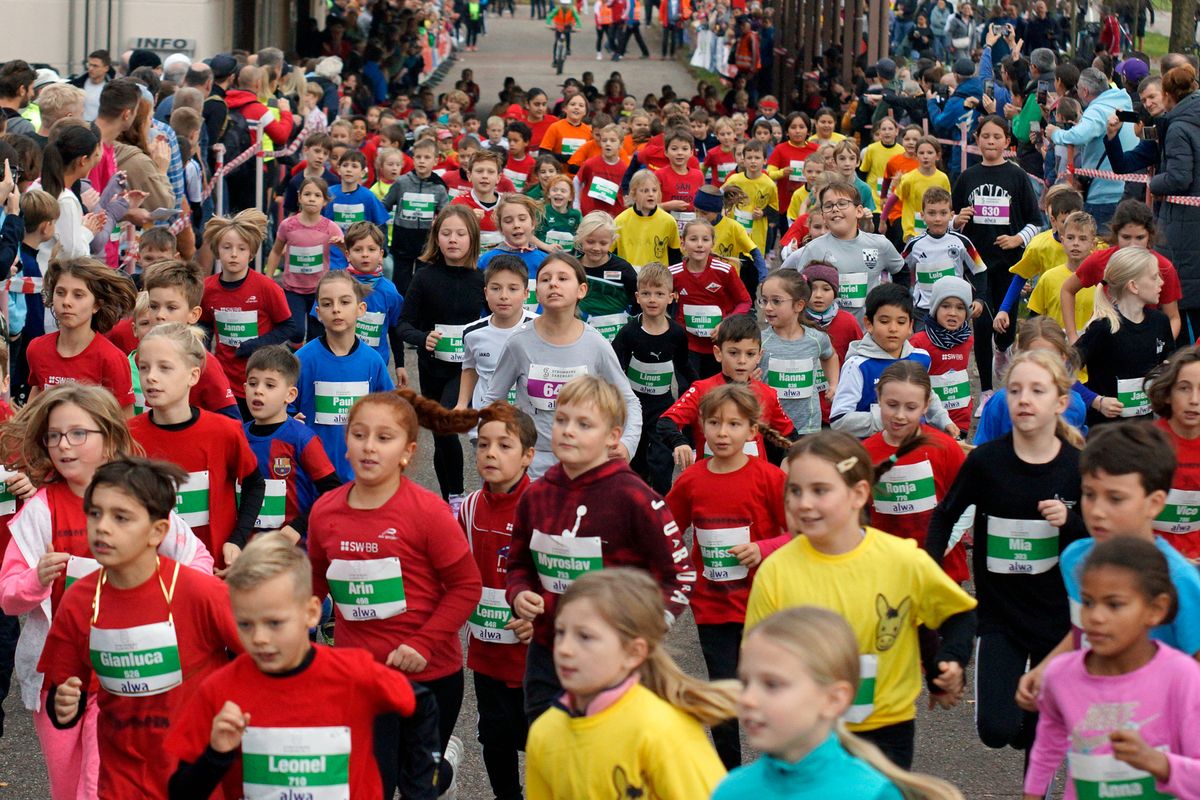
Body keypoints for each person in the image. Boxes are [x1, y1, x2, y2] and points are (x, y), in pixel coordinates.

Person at [0, 385, 210, 799]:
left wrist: (162, 591)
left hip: (126, 670)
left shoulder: (140, 500)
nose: (64, 445)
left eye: (78, 433)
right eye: (54, 436)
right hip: (57, 677)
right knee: (66, 785)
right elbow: (8, 596)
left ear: (111, 439)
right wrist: (37, 578)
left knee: (102, 784)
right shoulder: (41, 510)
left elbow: (197, 562)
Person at [746, 430, 977, 768]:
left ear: (858, 494)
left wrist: (950, 662)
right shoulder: (776, 572)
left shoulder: (901, 559)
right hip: (805, 731)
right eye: (794, 490)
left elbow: (958, 616)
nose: (803, 503)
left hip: (886, 728)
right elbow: (756, 658)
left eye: (819, 490)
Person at [307, 389, 486, 799]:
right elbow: (314, 586)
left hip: (429, 675)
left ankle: (441, 768)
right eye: (359, 435)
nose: (369, 446)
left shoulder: (427, 512)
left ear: (407, 452)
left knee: (418, 787)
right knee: (372, 784)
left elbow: (466, 586)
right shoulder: (325, 512)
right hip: (361, 674)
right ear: (346, 444)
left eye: (384, 438)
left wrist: (423, 642)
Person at [164, 532, 429, 799]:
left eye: (274, 623)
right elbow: (180, 792)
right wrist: (216, 755)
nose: (259, 638)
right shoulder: (220, 690)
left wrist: (419, 790)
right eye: (245, 624)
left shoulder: (352, 673)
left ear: (311, 613)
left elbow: (422, 705)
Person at [38, 457, 238, 799]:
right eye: (95, 513)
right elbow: (65, 690)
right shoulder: (79, 600)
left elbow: (267, 662)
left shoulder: (201, 593)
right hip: (121, 780)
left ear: (157, 531)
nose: (102, 527)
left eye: (121, 517)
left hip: (196, 777)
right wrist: (64, 707)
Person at [927, 349, 1087, 757]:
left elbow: (1098, 538)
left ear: (1061, 402)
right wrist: (928, 569)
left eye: (1037, 390)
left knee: (1037, 737)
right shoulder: (987, 462)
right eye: (1014, 391)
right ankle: (1015, 723)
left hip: (1057, 617)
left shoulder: (1076, 466)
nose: (1024, 400)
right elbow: (945, 515)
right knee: (996, 730)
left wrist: (1069, 522)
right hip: (1000, 614)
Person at [504, 376, 691, 719]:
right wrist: (518, 594)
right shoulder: (535, 495)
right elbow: (518, 565)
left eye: (584, 424)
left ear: (613, 436)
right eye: (561, 420)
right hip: (548, 654)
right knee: (547, 745)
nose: (568, 431)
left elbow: (679, 576)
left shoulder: (635, 498)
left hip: (613, 660)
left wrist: (644, 631)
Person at [714, 607, 966, 799]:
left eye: (772, 684)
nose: (747, 699)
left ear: (834, 699)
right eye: (745, 682)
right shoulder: (731, 790)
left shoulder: (873, 793)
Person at [665, 383, 789, 768]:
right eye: (714, 423)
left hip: (763, 605)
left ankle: (779, 769)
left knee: (768, 691)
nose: (722, 433)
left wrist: (763, 548)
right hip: (712, 605)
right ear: (701, 426)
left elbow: (799, 534)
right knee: (723, 695)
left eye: (734, 425)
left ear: (752, 430)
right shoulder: (691, 480)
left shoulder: (770, 478)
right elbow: (666, 531)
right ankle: (729, 775)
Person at [524, 568, 729, 796]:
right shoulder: (545, 732)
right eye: (560, 632)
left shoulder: (662, 730)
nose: (564, 649)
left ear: (634, 652)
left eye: (585, 636)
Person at [1023, 537, 1200, 799]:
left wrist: (1159, 763)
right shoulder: (1061, 675)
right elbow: (1046, 748)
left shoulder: (1181, 676)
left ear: (1156, 609)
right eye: (1088, 602)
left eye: (1114, 604)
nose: (1096, 617)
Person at [481, 253, 642, 478]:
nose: (553, 284)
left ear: (581, 290)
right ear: (537, 292)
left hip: (584, 464)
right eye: (545, 279)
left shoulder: (595, 343)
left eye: (563, 278)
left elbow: (629, 401)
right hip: (531, 466)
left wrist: (627, 444)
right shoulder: (518, 342)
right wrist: (498, 445)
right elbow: (492, 400)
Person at [129, 323, 263, 571]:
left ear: (193, 375)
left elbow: (255, 484)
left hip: (213, 571)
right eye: (144, 367)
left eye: (164, 368)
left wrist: (237, 540)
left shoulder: (224, 431)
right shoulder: (127, 436)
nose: (151, 377)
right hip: (149, 574)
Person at [457, 405, 536, 800]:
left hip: (534, 656)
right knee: (495, 738)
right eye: (483, 444)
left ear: (527, 456)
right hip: (486, 651)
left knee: (543, 741)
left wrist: (542, 618)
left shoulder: (542, 507)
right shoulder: (469, 507)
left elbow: (569, 581)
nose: (490, 453)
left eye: (504, 446)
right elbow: (454, 572)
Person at [397, 205, 486, 507]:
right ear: (436, 238)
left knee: (446, 421)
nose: (453, 239)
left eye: (460, 233)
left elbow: (498, 318)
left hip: (466, 370)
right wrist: (424, 338)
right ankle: (449, 501)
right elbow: (403, 325)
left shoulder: (481, 279)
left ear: (472, 239)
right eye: (446, 233)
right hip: (432, 368)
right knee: (439, 432)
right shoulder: (424, 278)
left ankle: (458, 497)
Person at [950, 116, 1040, 395]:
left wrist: (1017, 239)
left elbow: (1035, 222)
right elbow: (951, 219)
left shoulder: (1017, 176)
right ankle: (987, 391)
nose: (990, 141)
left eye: (997, 136)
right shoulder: (967, 177)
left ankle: (1002, 350)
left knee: (1005, 327)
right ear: (977, 140)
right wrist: (957, 220)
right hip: (977, 264)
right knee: (982, 323)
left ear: (1007, 142)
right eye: (985, 136)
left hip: (1009, 264)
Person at [199, 210, 298, 419]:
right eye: (227, 247)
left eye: (241, 248)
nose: (234, 254)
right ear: (217, 251)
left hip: (259, 379)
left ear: (251, 254)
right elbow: (204, 325)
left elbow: (289, 327)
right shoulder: (208, 289)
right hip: (224, 379)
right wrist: (204, 353)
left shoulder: (266, 287)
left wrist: (257, 344)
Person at [296, 271, 395, 481]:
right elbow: (284, 410)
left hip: (360, 475)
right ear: (318, 313)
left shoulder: (373, 361)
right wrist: (289, 421)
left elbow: (391, 411)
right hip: (312, 476)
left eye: (345, 302)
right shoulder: (302, 360)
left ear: (361, 309)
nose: (336, 309)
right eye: (327, 304)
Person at [659, 313, 795, 465]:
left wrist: (789, 459)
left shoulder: (767, 393)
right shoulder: (702, 390)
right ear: (718, 353)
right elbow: (666, 422)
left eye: (750, 354)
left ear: (759, 356)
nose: (742, 360)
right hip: (711, 476)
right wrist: (679, 442)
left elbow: (789, 433)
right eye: (733, 353)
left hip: (754, 478)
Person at [830, 283, 958, 439]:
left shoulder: (921, 358)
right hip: (871, 449)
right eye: (884, 321)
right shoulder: (857, 366)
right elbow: (839, 419)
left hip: (913, 445)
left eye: (901, 322)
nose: (893, 328)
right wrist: (887, 418)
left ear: (910, 325)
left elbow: (928, 396)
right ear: (869, 324)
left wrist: (943, 420)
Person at [612, 262, 695, 494]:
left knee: (661, 461)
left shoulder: (677, 333)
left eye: (659, 294)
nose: (652, 299)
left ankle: (661, 502)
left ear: (671, 297)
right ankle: (636, 501)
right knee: (636, 461)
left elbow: (684, 366)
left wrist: (701, 389)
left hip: (662, 405)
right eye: (646, 293)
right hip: (634, 405)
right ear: (637, 297)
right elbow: (615, 366)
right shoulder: (629, 332)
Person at [1075, 248, 1174, 426]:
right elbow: (1059, 371)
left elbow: (1168, 365)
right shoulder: (1103, 328)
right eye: (1154, 277)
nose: (1161, 282)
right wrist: (1096, 401)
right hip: (1106, 433)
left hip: (1144, 430)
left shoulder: (1160, 322)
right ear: (1133, 286)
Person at [782, 178, 903, 322]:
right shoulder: (812, 249)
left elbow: (902, 272)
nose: (835, 209)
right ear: (823, 216)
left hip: (867, 331)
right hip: (824, 330)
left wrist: (897, 304)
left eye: (842, 203)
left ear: (859, 211)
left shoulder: (879, 244)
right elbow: (796, 286)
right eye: (828, 206)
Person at [1060, 199, 1182, 343]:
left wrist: (1159, 348)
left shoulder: (1162, 267)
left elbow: (1173, 318)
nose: (1133, 244)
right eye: (1126, 237)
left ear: (1149, 236)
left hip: (1143, 342)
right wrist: (1072, 336)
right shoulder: (1100, 260)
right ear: (1116, 235)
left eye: (1140, 238)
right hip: (1104, 340)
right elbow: (1067, 290)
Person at [25, 257, 136, 411]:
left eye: (78, 295)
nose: (66, 302)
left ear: (97, 305)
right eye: (60, 293)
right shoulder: (37, 348)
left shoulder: (111, 358)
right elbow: (38, 389)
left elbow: (125, 418)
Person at [141, 260, 239, 419]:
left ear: (193, 315)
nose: (160, 315)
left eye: (171, 308)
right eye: (153, 306)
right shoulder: (146, 354)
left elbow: (232, 420)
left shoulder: (203, 362)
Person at [1046, 68, 1138, 229]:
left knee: (1097, 240)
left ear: (1085, 91)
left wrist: (1056, 134)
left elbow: (1078, 136)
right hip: (1126, 188)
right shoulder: (1121, 101)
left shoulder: (1097, 110)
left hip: (1102, 194)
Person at [1148, 64, 1200, 340]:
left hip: (1184, 223)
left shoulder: (1179, 126)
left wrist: (1155, 183)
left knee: (1185, 303)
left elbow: (1179, 176)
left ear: (1168, 95)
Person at [266, 176, 344, 344]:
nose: (311, 199)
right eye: (307, 194)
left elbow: (348, 253)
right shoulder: (287, 225)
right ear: (299, 197)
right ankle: (296, 352)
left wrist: (342, 246)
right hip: (293, 289)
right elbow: (276, 251)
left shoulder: (330, 227)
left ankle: (307, 358)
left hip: (319, 290)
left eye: (317, 195)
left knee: (316, 335)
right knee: (296, 331)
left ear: (325, 201)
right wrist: (268, 278)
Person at [759, 269, 838, 436]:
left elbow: (830, 356)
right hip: (770, 427)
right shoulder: (758, 341)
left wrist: (833, 384)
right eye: (764, 300)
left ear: (799, 305)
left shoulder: (816, 339)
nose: (768, 307)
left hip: (807, 427)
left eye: (776, 301)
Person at [670, 219, 752, 377]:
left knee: (717, 389)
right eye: (693, 239)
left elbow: (744, 301)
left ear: (713, 243)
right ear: (683, 243)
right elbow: (661, 298)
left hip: (719, 345)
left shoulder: (725, 271)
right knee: (689, 387)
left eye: (705, 239)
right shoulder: (673, 273)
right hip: (688, 345)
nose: (699, 244)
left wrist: (725, 324)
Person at [899, 186, 985, 327]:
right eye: (931, 213)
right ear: (922, 215)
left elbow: (980, 269)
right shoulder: (914, 245)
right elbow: (900, 270)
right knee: (923, 342)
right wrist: (904, 299)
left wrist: (980, 299)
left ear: (951, 215)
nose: (937, 219)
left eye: (943, 213)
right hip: (923, 311)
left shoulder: (962, 242)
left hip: (954, 310)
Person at [1146, 346, 1200, 559]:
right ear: (1168, 393)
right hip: (1150, 559)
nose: (1194, 399)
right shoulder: (1144, 444)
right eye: (1184, 388)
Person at [338, 222, 407, 380]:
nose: (365, 254)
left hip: (375, 365)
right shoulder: (335, 285)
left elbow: (395, 330)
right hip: (340, 363)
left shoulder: (389, 291)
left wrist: (400, 365)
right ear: (348, 254)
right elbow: (319, 326)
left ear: (381, 254)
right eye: (358, 249)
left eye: (371, 249)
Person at [909, 276, 977, 431]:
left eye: (960, 308)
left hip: (961, 419)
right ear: (935, 308)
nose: (953, 313)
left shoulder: (967, 339)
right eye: (946, 306)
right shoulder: (919, 342)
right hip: (929, 421)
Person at [613, 171, 680, 268]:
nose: (651, 194)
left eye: (654, 190)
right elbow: (611, 255)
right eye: (645, 191)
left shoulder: (669, 221)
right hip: (629, 275)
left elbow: (675, 256)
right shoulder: (620, 221)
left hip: (658, 275)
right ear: (633, 194)